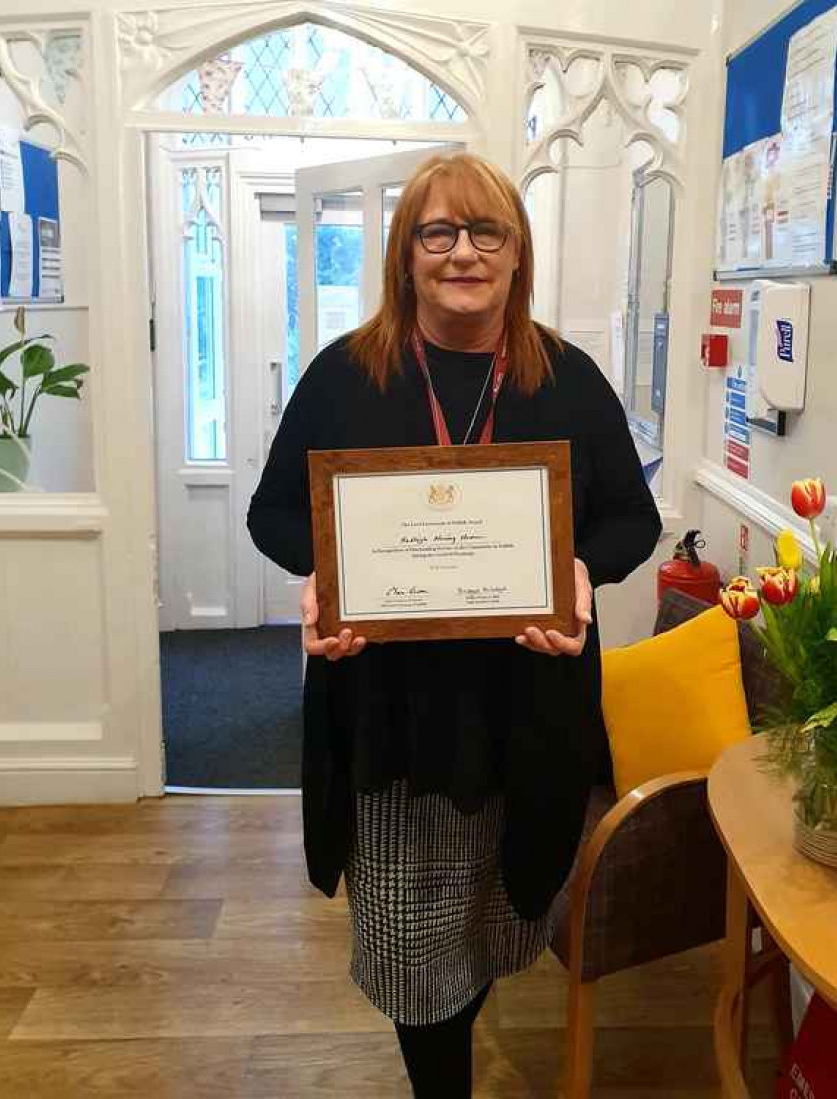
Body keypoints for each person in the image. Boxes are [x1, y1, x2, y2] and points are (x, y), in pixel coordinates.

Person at [247, 152, 661, 1096]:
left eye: (487, 234)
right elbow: (272, 512)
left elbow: (630, 518)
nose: (462, 254)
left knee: (498, 916)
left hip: (529, 705)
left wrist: (583, 572)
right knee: (410, 950)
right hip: (392, 715)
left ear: (517, 256)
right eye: (438, 233)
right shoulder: (344, 374)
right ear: (405, 255)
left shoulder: (568, 376)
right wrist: (321, 578)